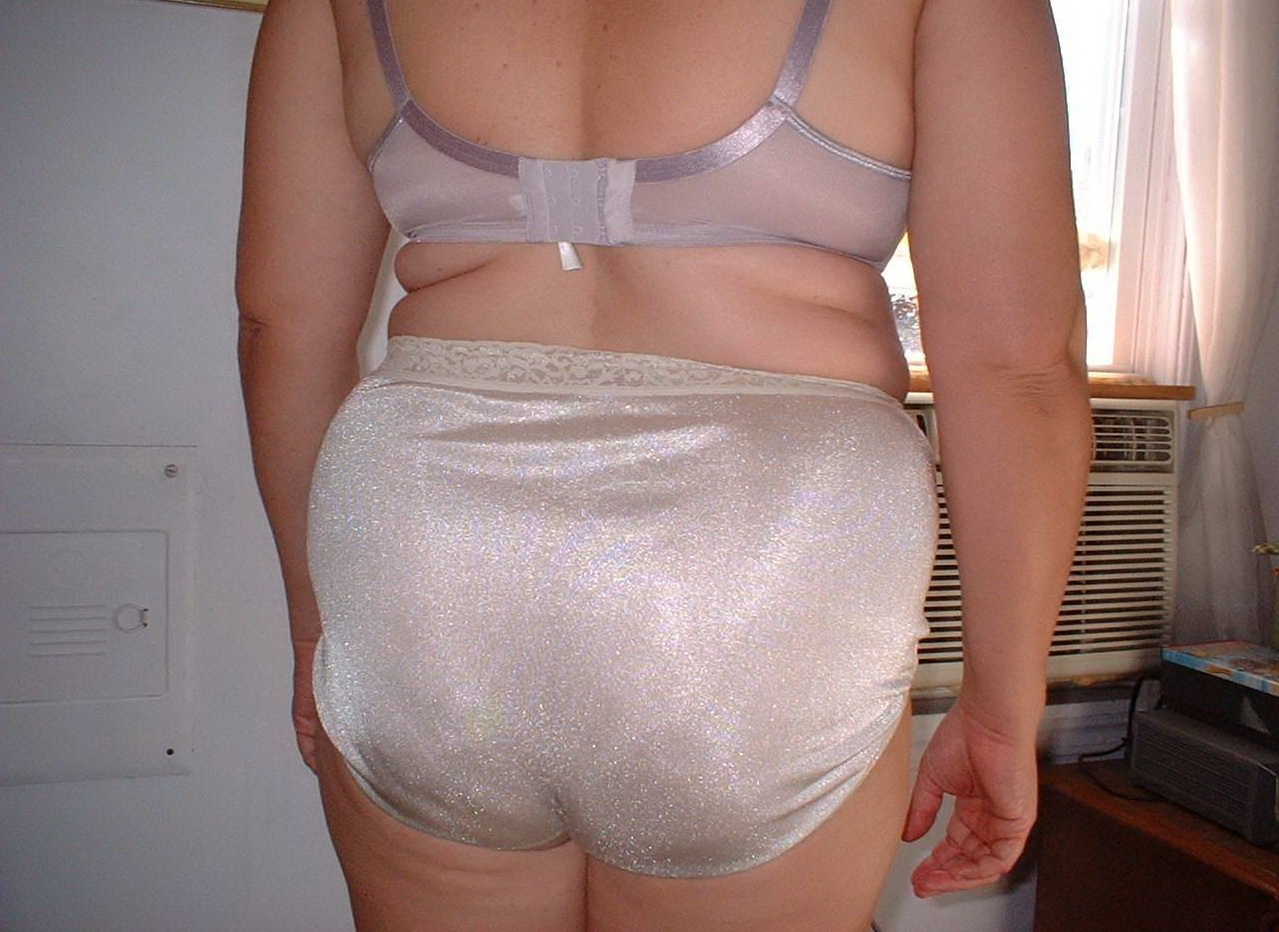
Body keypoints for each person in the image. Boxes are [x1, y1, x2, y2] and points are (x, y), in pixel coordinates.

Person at [236, 0, 1092, 928]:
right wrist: (1000, 707)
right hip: (760, 557)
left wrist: (317, 631)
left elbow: (280, 328)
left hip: (430, 554)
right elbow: (1016, 369)